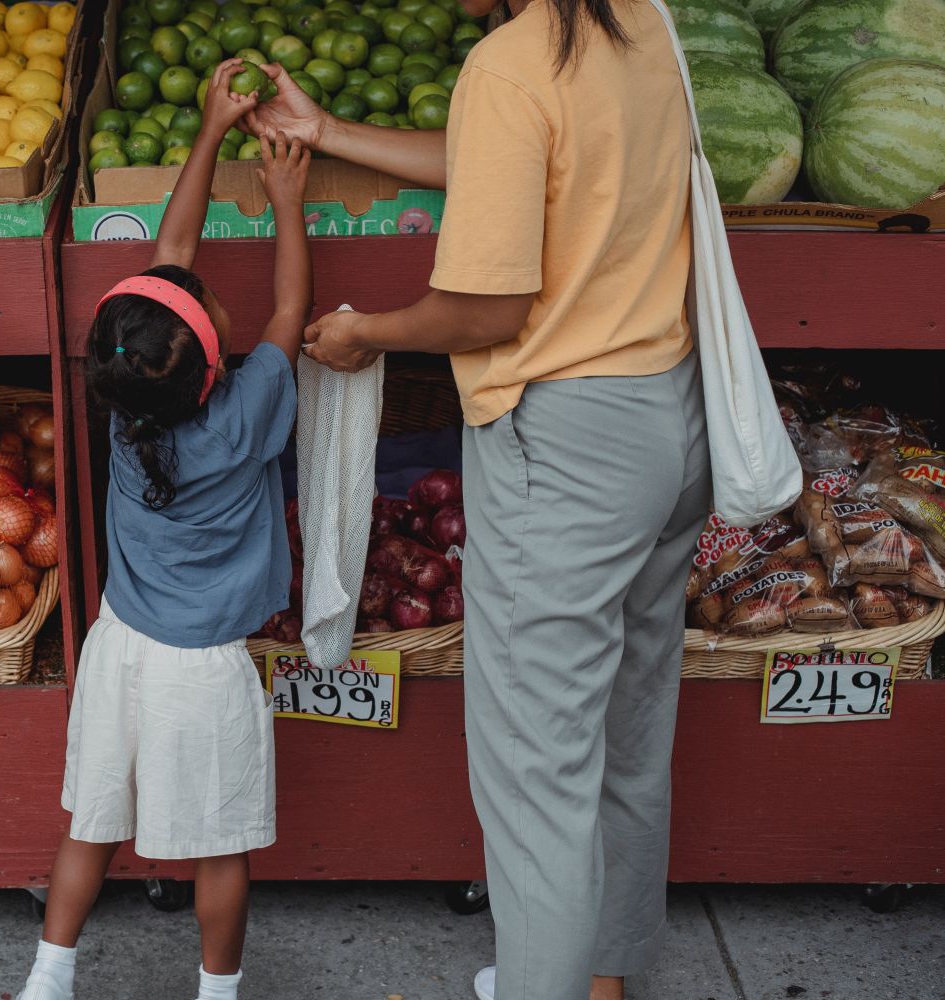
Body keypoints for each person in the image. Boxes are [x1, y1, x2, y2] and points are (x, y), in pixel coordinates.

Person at [246, 2, 710, 999]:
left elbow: (486, 310)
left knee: (536, 780)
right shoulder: (643, 24)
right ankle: (604, 980)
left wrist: (367, 331)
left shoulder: (508, 64)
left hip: (566, 445)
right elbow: (513, 166)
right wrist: (326, 132)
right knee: (628, 741)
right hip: (667, 419)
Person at [16, 60, 313, 1000]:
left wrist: (208, 130)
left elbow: (169, 250)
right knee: (218, 849)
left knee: (90, 824)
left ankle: (48, 978)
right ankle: (217, 995)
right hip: (204, 673)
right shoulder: (247, 408)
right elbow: (293, 312)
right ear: (212, 356)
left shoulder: (122, 407)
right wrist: (285, 201)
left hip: (120, 649)